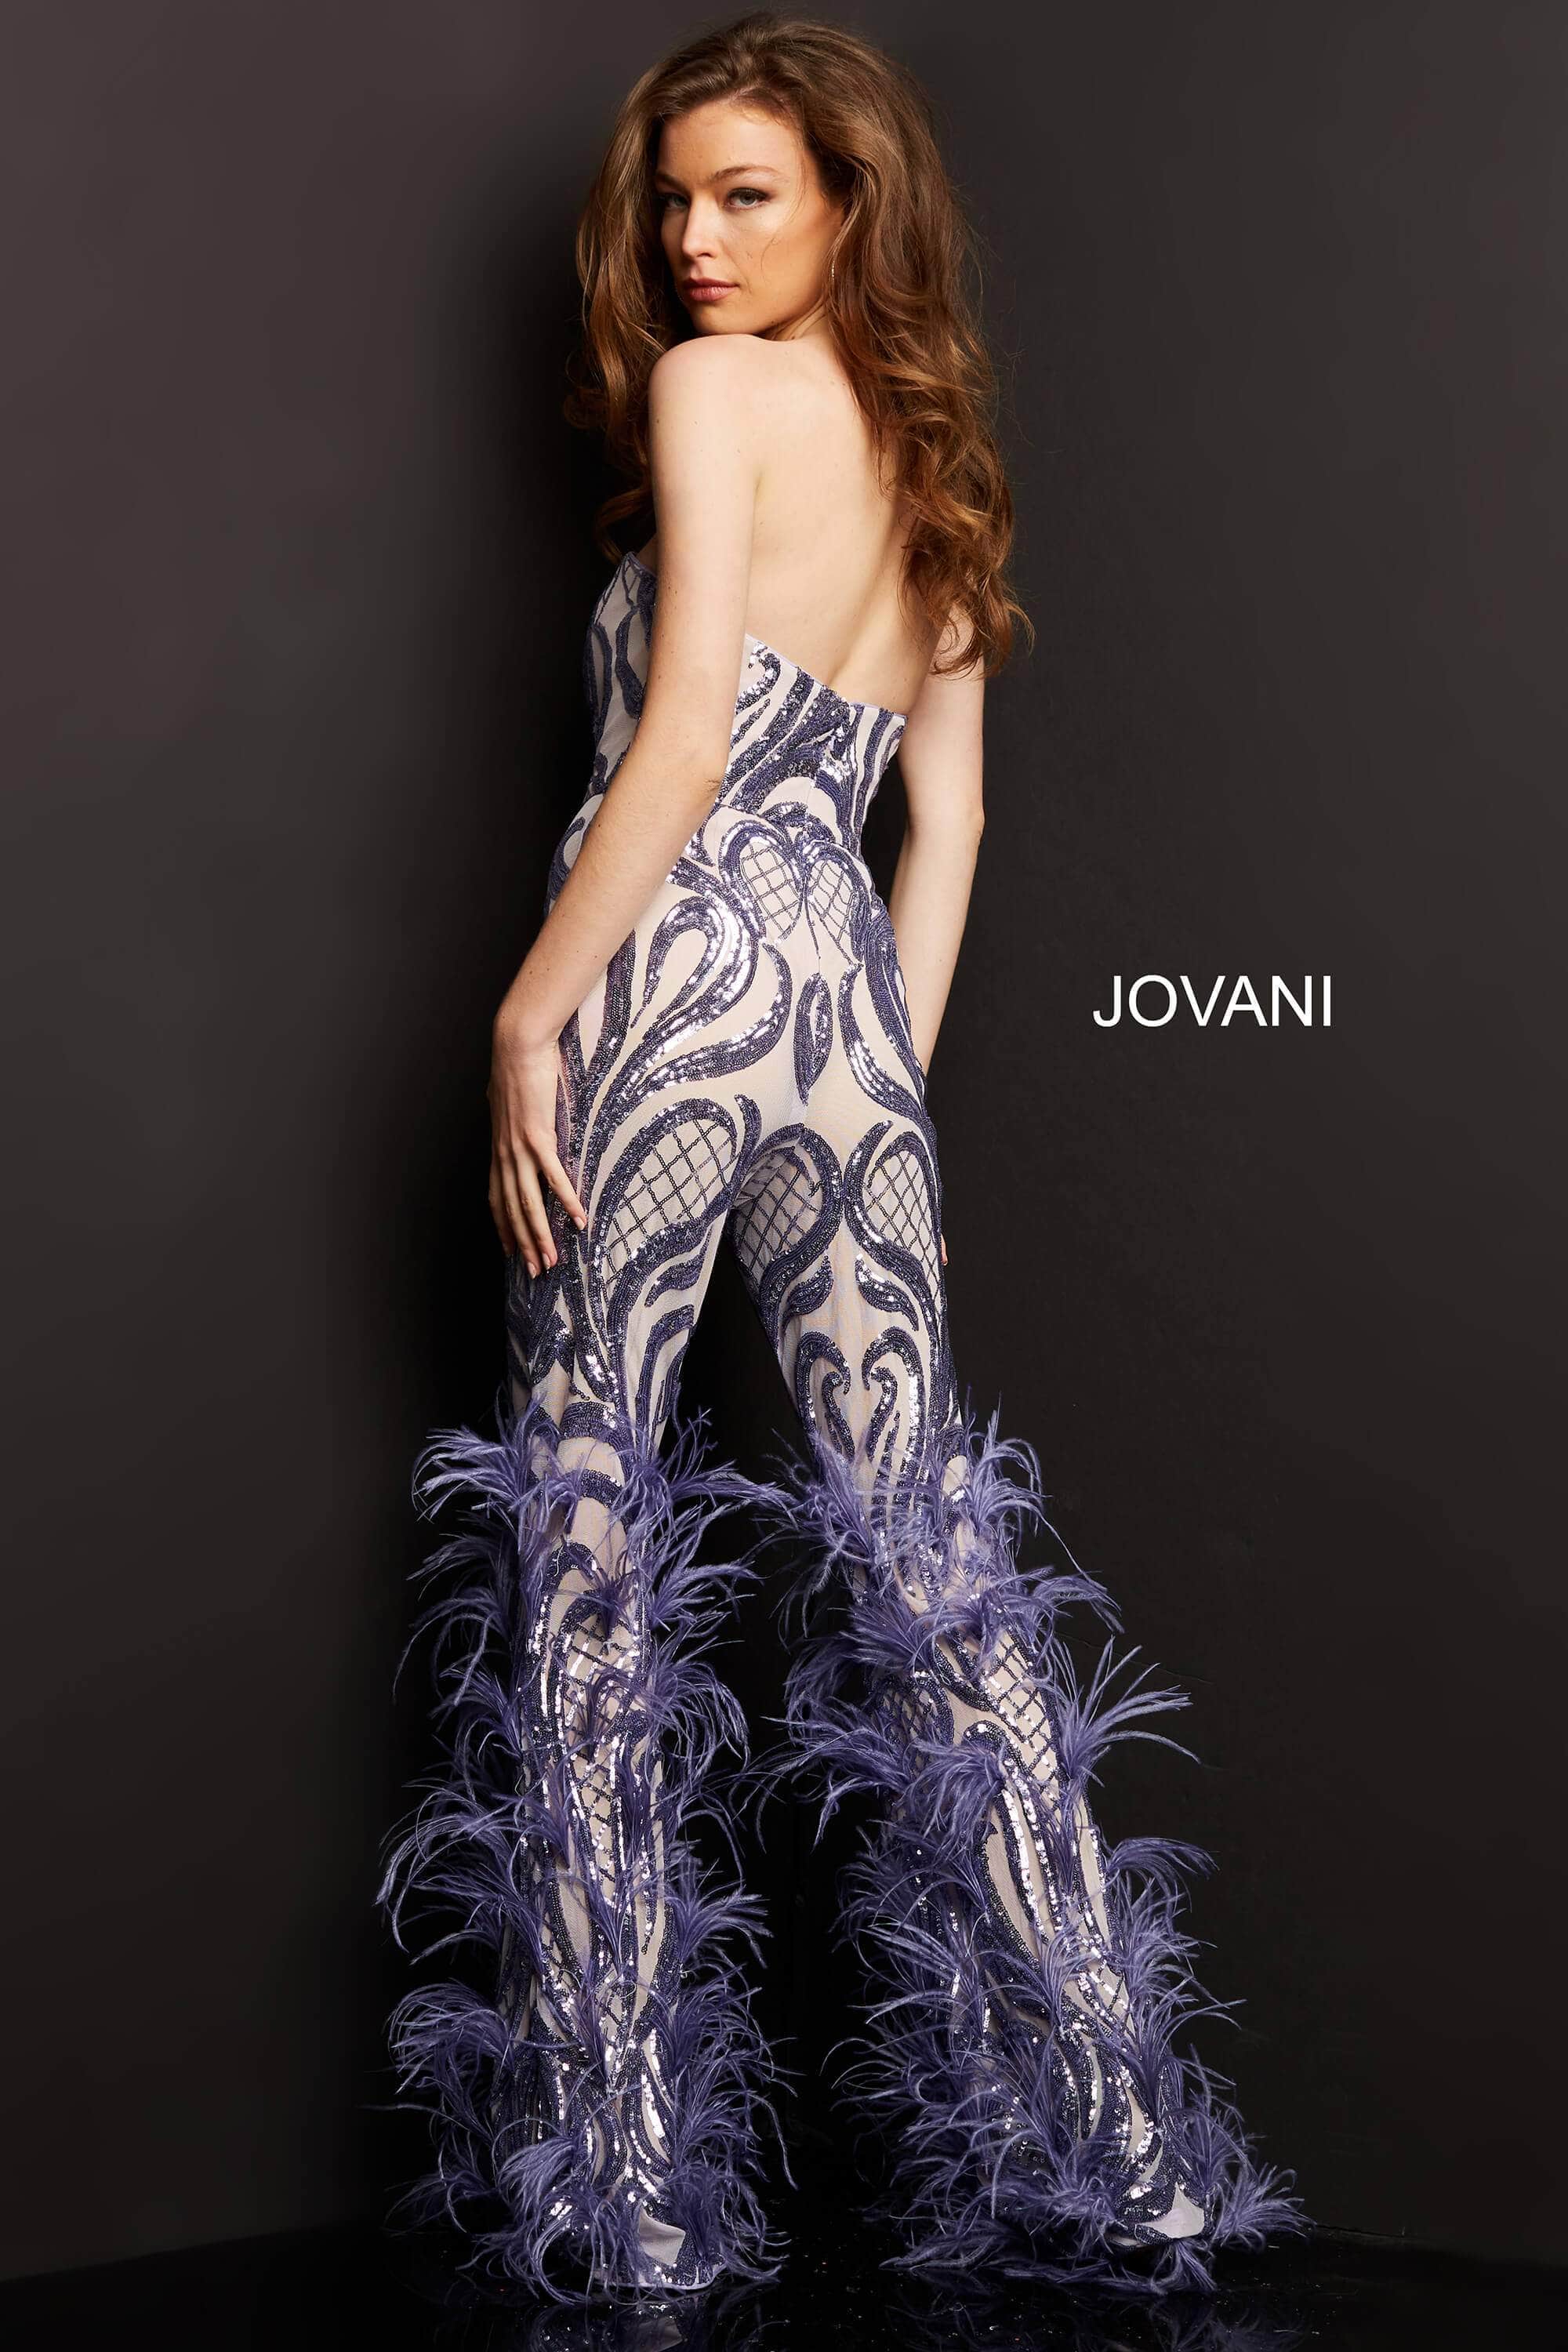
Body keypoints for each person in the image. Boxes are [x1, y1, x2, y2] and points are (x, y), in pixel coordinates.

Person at [376, 10, 1302, 2307]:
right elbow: (942, 826)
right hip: (850, 1023)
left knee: (588, 1547)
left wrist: (530, 1009)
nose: (693, 244)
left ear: (851, 204)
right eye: (673, 200)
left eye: (746, 196)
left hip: (671, 969)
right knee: (938, 1570)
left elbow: (688, 727)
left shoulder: (718, 396)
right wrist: (879, 1078)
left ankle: (627, 2187)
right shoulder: (939, 456)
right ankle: (1134, 2161)